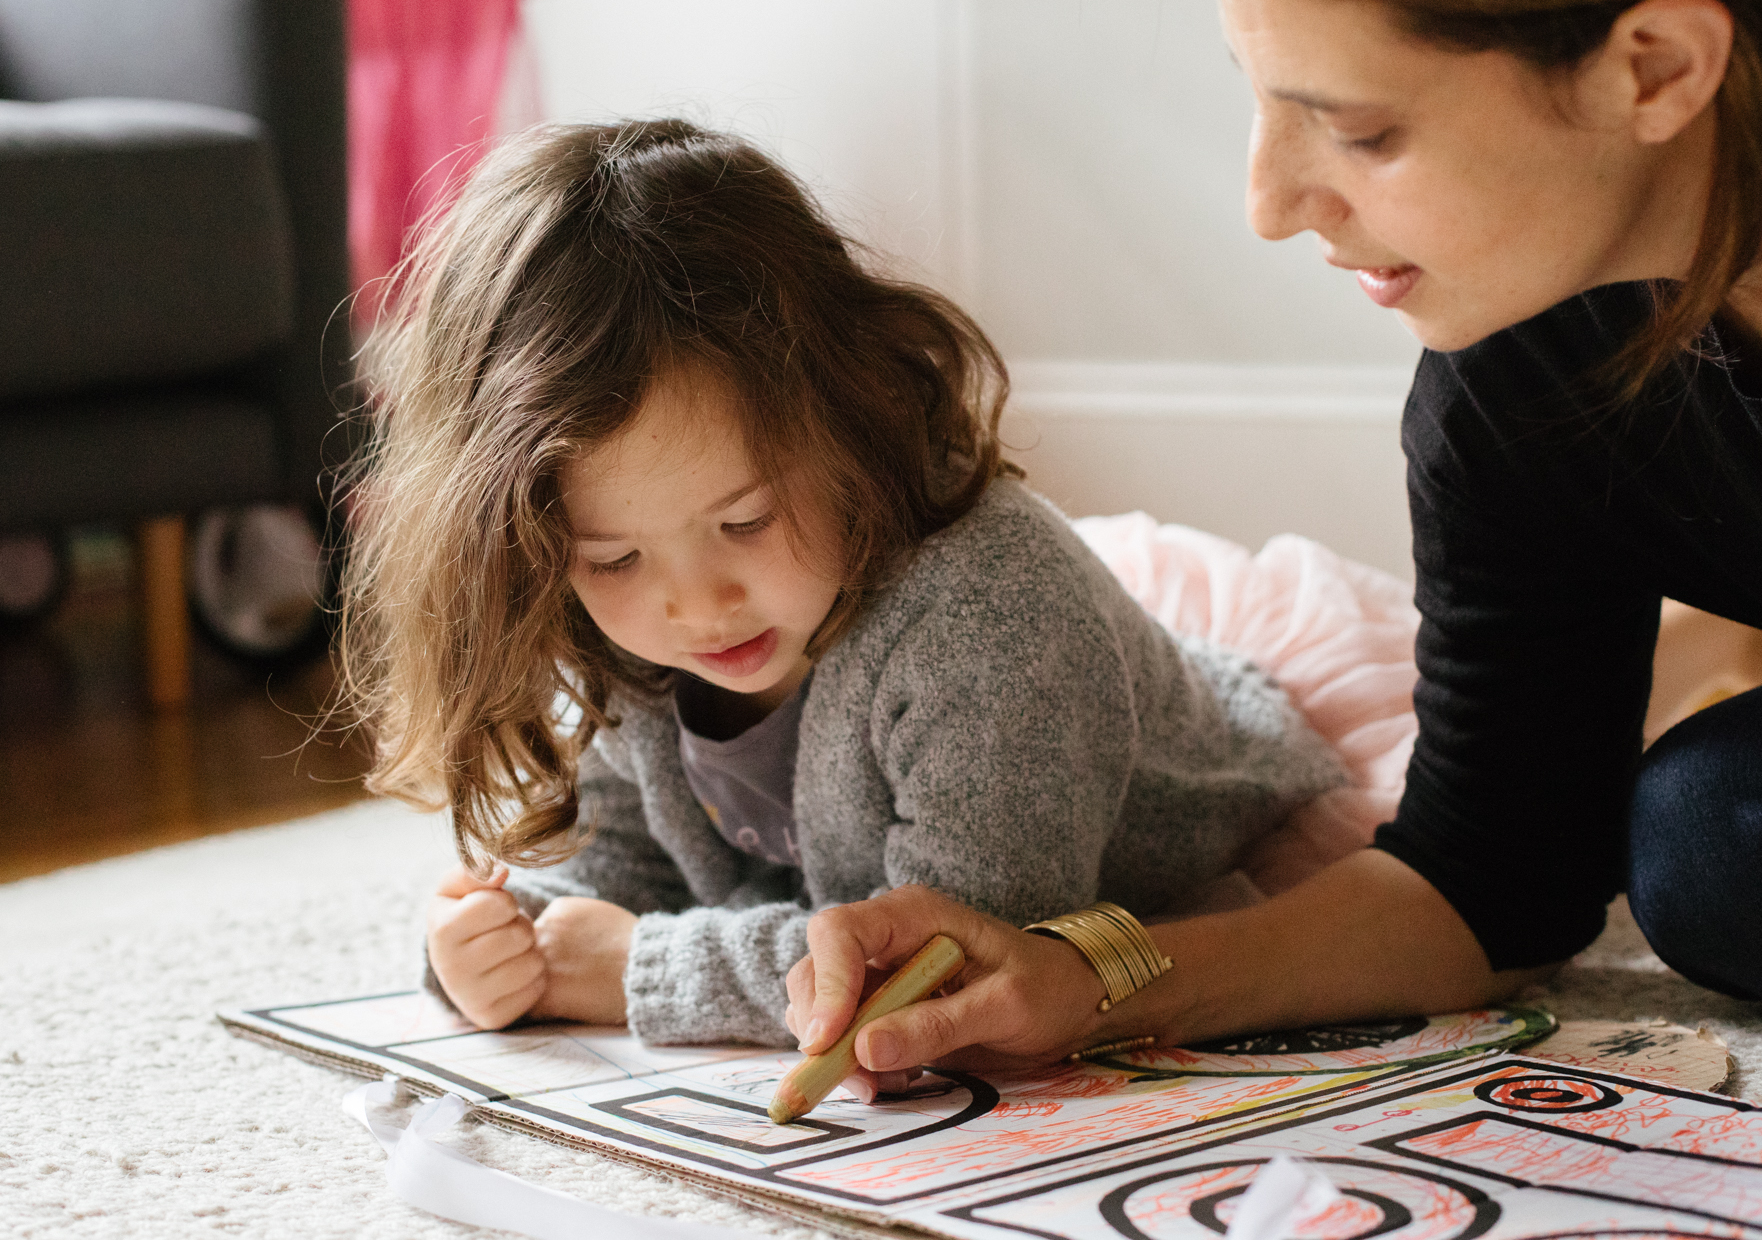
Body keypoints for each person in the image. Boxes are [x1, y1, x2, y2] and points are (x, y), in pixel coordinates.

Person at [785, 0, 1762, 1087]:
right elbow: (1483, 881)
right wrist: (1083, 978)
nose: (1268, 204)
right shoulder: (1523, 381)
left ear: (1656, 68)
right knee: (1712, 837)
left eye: (1359, 132)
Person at [336, 118, 1346, 1046]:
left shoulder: (992, 623)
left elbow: (964, 959)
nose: (695, 602)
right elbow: (617, 870)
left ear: (850, 427)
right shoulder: (616, 619)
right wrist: (511, 934)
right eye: (613, 558)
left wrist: (633, 971)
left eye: (743, 521)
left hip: (1139, 840)